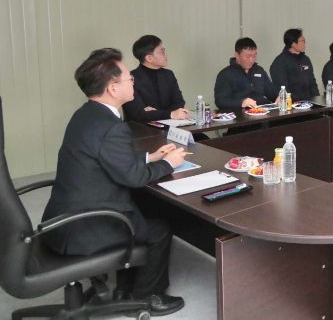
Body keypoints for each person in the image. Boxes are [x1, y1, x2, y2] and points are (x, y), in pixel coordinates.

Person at [42, 48, 187, 315]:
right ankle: (146, 298)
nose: (133, 81)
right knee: (159, 229)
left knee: (142, 211)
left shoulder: (86, 114)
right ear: (112, 88)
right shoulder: (112, 126)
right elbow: (134, 177)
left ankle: (123, 289)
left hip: (63, 218)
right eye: (129, 78)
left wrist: (150, 156)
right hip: (87, 226)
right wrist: (169, 163)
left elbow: (107, 159)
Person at [122, 35, 189, 122]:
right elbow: (138, 113)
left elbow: (179, 103)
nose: (166, 55)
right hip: (141, 128)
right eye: (162, 52)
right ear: (149, 58)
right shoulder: (130, 78)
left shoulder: (168, 74)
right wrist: (170, 114)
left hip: (170, 124)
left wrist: (156, 113)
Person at [214, 37, 279, 111]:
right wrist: (241, 103)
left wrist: (279, 97)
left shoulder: (259, 70)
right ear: (237, 55)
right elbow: (220, 101)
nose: (251, 60)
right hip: (239, 114)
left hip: (262, 112)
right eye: (248, 56)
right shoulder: (225, 74)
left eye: (254, 56)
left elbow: (271, 93)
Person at [269, 28, 320, 101]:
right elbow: (282, 88)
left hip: (309, 103)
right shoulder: (280, 62)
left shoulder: (306, 59)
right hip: (292, 104)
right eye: (302, 41)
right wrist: (296, 102)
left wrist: (317, 100)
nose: (305, 43)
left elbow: (313, 83)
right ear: (293, 43)